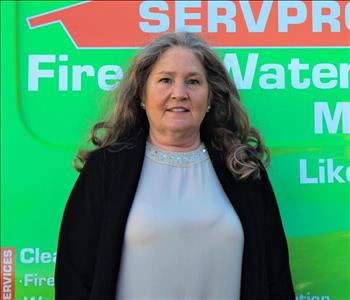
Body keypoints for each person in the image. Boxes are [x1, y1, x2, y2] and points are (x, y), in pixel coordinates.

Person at [54, 31, 295, 300]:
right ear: (142, 96)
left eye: (193, 82)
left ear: (210, 96)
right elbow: (73, 279)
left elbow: (277, 280)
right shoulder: (106, 169)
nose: (179, 93)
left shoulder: (242, 169)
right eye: (165, 80)